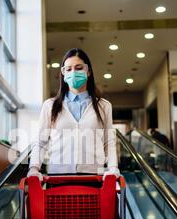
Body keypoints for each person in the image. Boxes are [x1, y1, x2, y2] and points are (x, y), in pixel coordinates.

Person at [28, 48, 119, 180]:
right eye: (69, 69)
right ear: (64, 74)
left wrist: (113, 168)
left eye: (78, 68)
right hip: (58, 176)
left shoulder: (104, 106)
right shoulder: (50, 106)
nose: (74, 72)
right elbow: (40, 142)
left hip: (94, 176)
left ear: (88, 71)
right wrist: (33, 169)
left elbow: (108, 142)